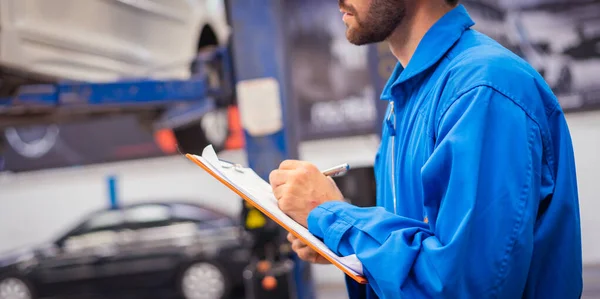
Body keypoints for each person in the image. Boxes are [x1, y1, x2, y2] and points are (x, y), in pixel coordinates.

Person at [268, 0, 583, 298]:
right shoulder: (408, 98)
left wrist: (332, 215)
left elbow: (465, 286)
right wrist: (346, 245)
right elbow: (418, 253)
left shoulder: (481, 89)